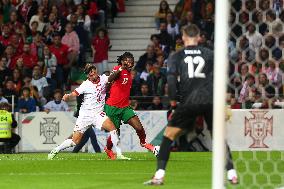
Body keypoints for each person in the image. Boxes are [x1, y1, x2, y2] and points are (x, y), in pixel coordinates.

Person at [144, 24, 238, 185]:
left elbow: (172, 81)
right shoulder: (210, 54)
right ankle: (231, 173)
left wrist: (173, 102)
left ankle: (159, 175)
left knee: (168, 136)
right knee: (218, 137)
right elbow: (223, 75)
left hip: (189, 101)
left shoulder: (176, 56)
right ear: (199, 36)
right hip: (209, 100)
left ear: (184, 37)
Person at [48, 64, 128, 160]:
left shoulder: (103, 78)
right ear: (87, 75)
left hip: (98, 114)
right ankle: (56, 149)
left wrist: (119, 69)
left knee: (113, 129)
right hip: (85, 116)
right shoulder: (86, 84)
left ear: (96, 71)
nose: (93, 74)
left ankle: (119, 154)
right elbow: (75, 93)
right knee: (74, 141)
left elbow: (111, 77)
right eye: (90, 73)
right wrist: (68, 96)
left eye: (93, 71)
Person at [103, 52, 159, 160]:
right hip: (113, 107)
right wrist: (120, 69)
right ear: (123, 62)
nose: (130, 63)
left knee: (139, 127)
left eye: (131, 61)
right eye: (128, 61)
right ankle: (108, 149)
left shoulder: (130, 73)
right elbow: (110, 79)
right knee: (115, 133)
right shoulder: (118, 69)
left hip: (125, 107)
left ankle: (144, 144)